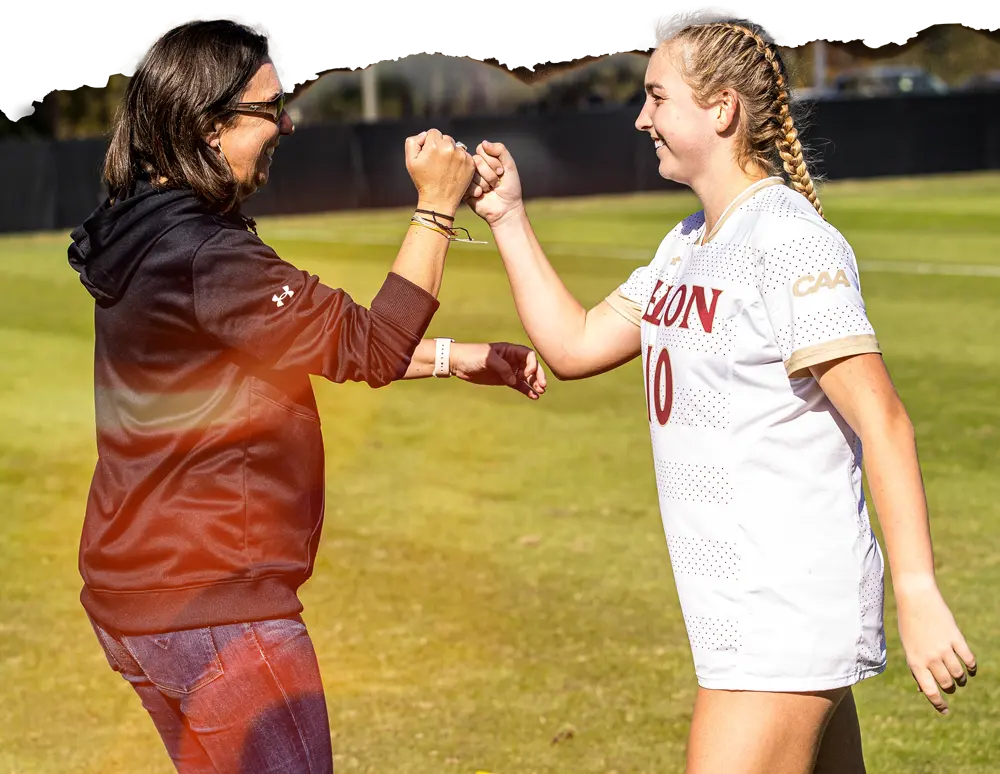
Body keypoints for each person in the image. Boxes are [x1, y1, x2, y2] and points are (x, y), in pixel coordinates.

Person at [464, 11, 975, 774]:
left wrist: (918, 590)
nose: (642, 118)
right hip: (746, 617)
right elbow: (572, 346)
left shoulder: (787, 240)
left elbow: (885, 422)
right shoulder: (686, 245)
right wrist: (507, 217)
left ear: (723, 109)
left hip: (780, 612)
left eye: (658, 98)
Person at [67, 18, 545, 774]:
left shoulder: (147, 231)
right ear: (207, 123)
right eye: (269, 108)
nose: (286, 121)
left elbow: (316, 348)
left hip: (140, 605)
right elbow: (374, 344)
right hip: (217, 610)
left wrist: (458, 357)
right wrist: (434, 206)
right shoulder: (205, 253)